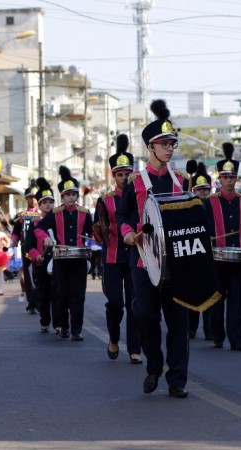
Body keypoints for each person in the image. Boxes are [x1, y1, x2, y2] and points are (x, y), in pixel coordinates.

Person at [119, 99, 194, 398]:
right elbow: (123, 215)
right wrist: (127, 233)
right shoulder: (135, 182)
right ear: (150, 147)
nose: (169, 148)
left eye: (172, 143)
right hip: (144, 263)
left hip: (177, 264)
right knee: (146, 316)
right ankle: (154, 366)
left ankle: (177, 380)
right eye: (164, 144)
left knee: (179, 322)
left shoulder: (183, 181)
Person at [94, 135, 141, 363]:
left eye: (127, 174)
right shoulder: (104, 200)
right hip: (112, 257)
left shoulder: (141, 196)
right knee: (115, 303)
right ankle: (113, 338)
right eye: (119, 174)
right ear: (114, 176)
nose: (124, 178)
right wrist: (98, 228)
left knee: (135, 303)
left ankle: (134, 349)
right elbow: (98, 233)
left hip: (135, 256)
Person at [36, 166, 94, 341]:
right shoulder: (55, 213)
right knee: (61, 295)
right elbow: (39, 229)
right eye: (68, 194)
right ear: (62, 196)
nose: (71, 197)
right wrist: (45, 237)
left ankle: (76, 330)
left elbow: (92, 233)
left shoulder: (84, 213)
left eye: (74, 194)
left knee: (78, 295)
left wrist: (94, 237)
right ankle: (63, 326)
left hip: (79, 260)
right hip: (60, 259)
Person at [205, 143, 241, 351]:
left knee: (238, 301)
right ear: (220, 179)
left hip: (239, 259)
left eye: (232, 177)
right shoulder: (209, 202)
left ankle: (238, 339)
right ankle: (217, 335)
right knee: (217, 299)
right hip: (216, 259)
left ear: (236, 178)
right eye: (225, 177)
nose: (229, 181)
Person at [24, 178, 57, 334]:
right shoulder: (35, 223)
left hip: (59, 262)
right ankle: (45, 321)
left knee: (59, 293)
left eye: (51, 202)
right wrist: (36, 255)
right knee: (44, 294)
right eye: (45, 202)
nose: (48, 205)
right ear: (40, 205)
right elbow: (28, 245)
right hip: (41, 264)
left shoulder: (59, 220)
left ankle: (58, 323)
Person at [187, 160, 213, 341]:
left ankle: (209, 329)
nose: (203, 193)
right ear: (193, 190)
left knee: (210, 294)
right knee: (193, 293)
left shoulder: (214, 206)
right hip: (193, 255)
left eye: (206, 189)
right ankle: (191, 327)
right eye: (200, 189)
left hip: (210, 255)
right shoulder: (187, 206)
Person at [11, 180, 40, 312]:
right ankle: (32, 303)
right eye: (30, 198)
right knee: (28, 276)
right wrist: (14, 241)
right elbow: (16, 232)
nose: (33, 200)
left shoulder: (43, 213)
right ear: (26, 199)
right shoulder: (22, 216)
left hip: (41, 249)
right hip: (26, 248)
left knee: (40, 275)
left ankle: (42, 301)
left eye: (34, 197)